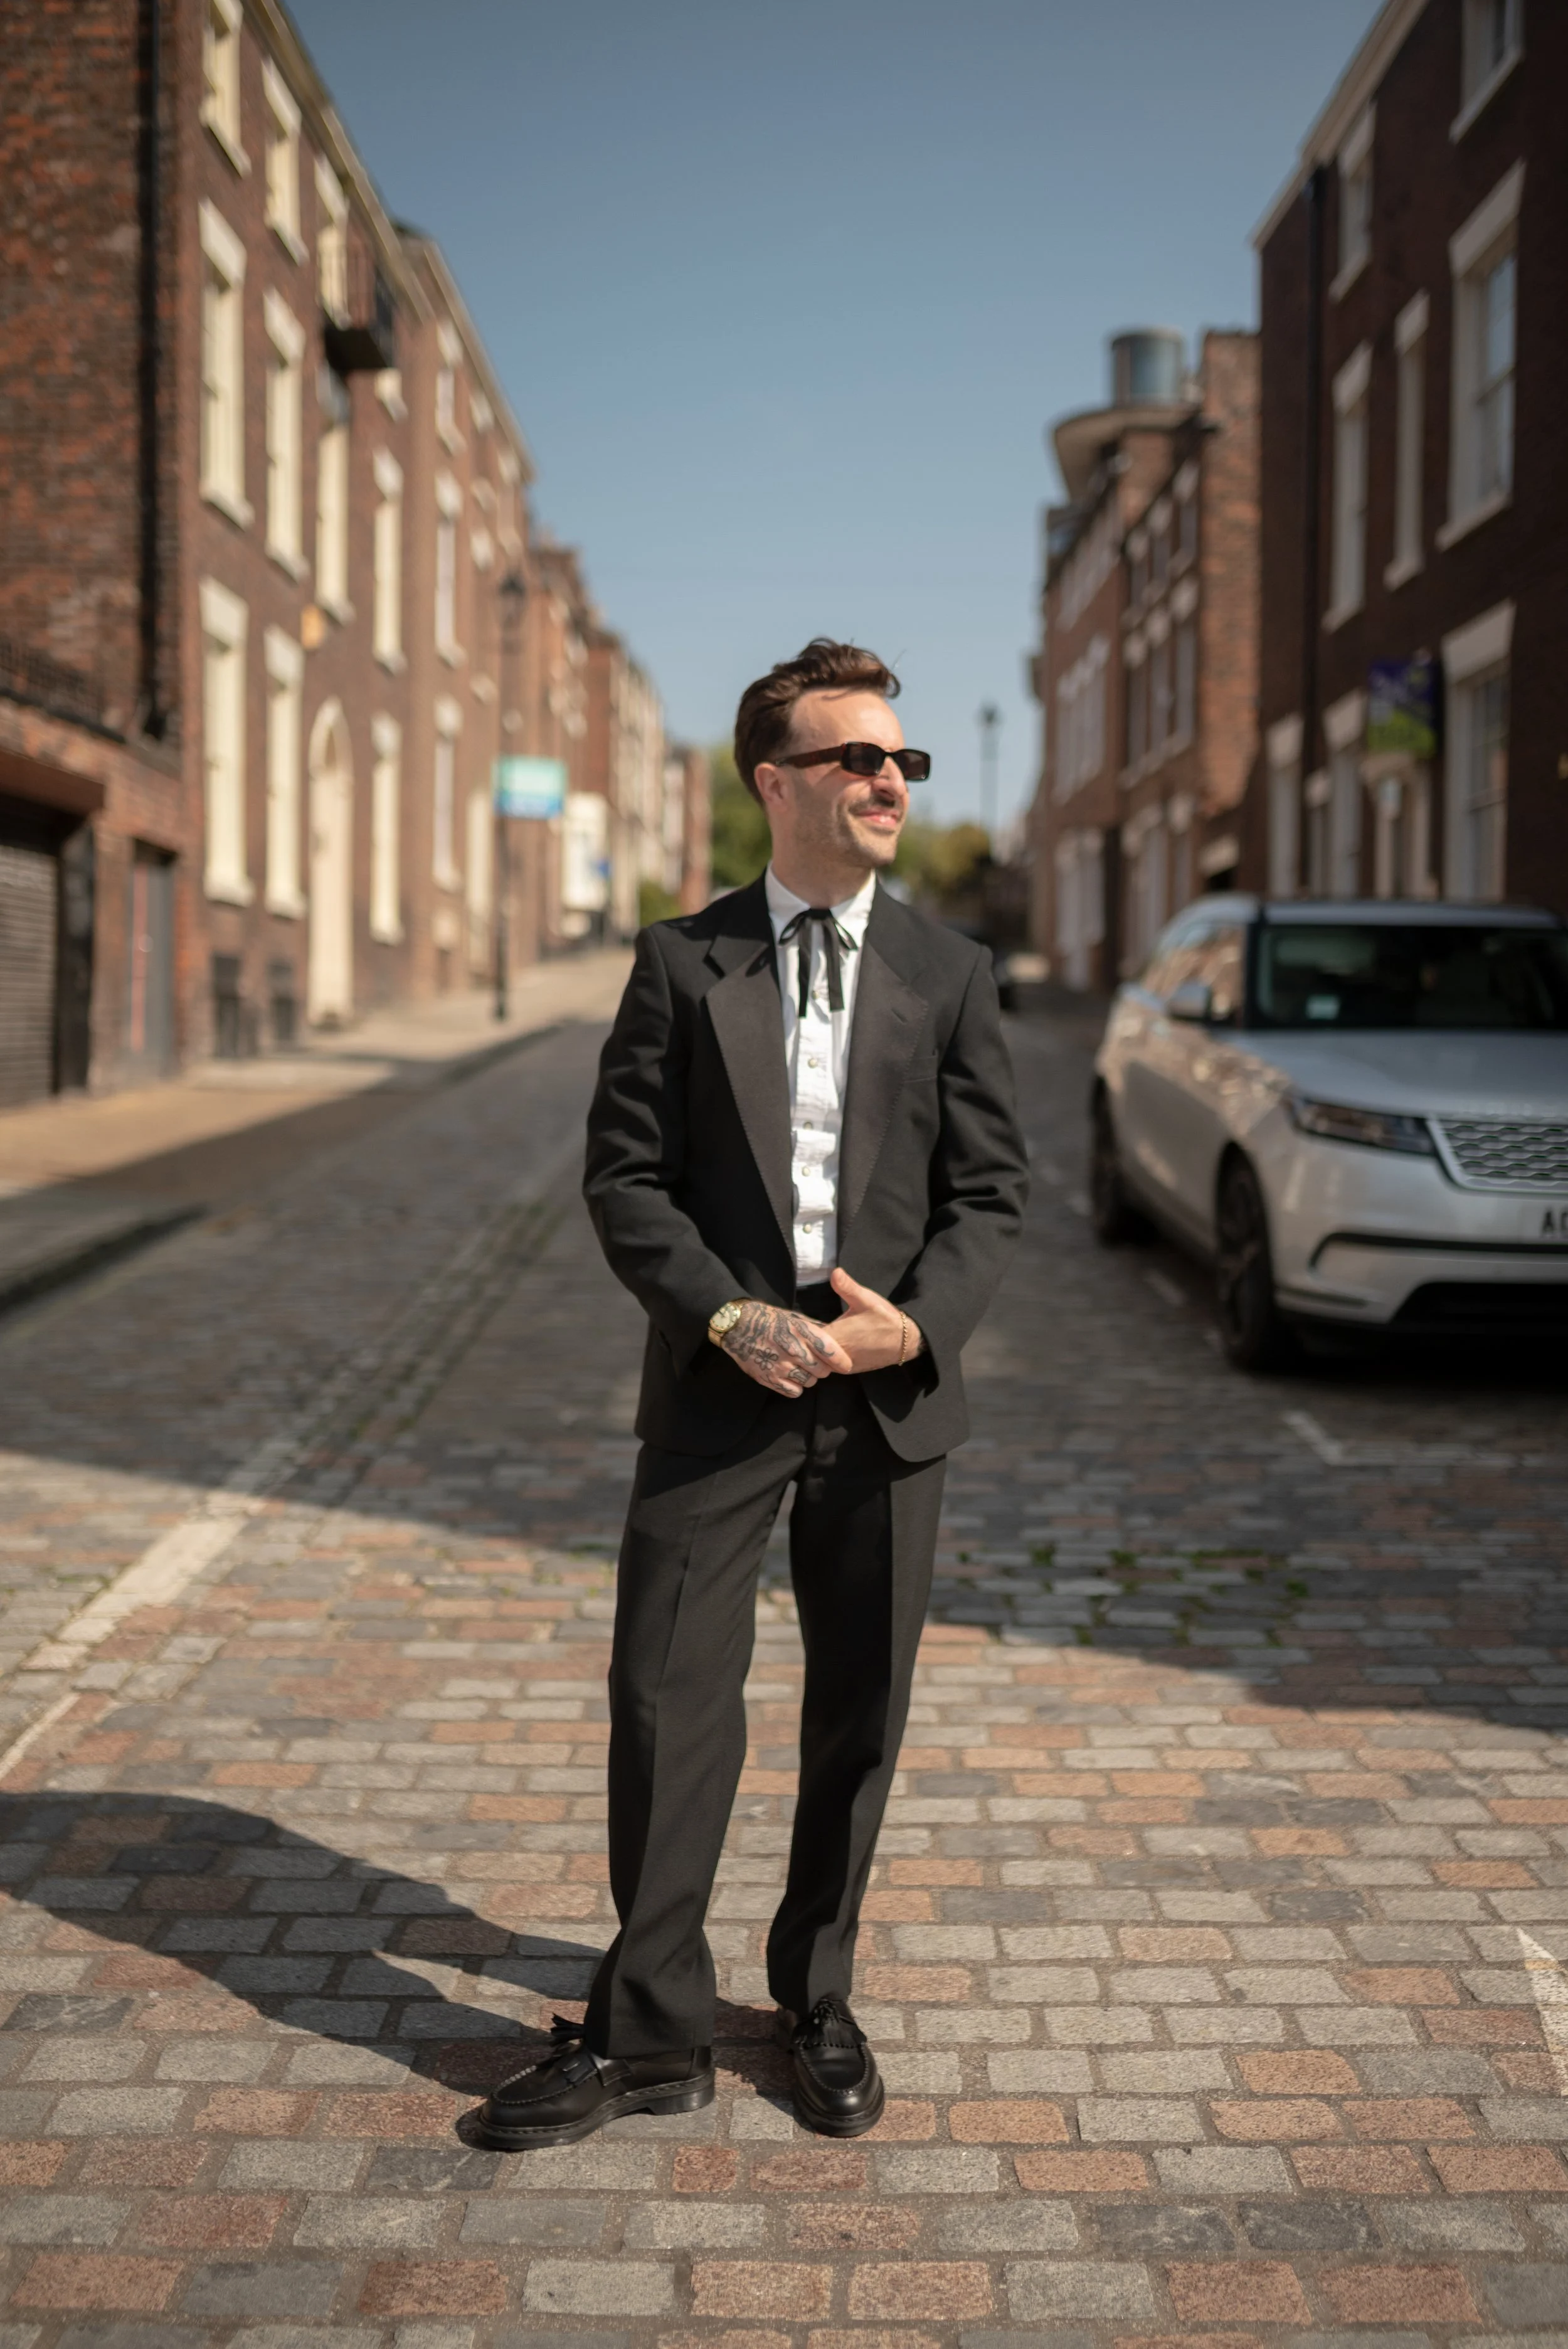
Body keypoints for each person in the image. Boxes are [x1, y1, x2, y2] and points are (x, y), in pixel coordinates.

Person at [472, 637, 1028, 2150]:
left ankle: (817, 1997)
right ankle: (647, 2032)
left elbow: (992, 1196)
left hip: (884, 1399)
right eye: (856, 757)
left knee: (860, 1710)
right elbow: (624, 1177)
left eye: (903, 761)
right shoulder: (678, 961)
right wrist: (721, 1313)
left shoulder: (951, 974)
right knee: (662, 1702)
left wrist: (901, 1333)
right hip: (718, 1388)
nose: (889, 781)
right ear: (775, 780)